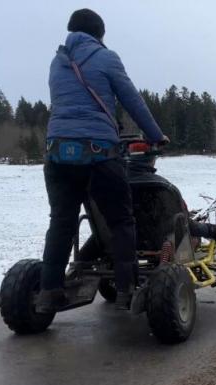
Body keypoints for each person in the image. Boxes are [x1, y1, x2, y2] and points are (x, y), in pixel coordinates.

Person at [38, 9, 168, 312]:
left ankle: (48, 291)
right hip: (98, 153)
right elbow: (132, 99)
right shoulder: (107, 58)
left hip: (57, 154)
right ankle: (126, 289)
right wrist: (156, 135)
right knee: (121, 220)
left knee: (61, 222)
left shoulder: (57, 63)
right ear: (99, 34)